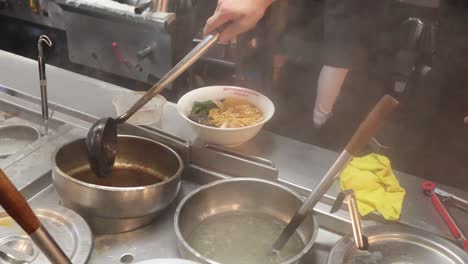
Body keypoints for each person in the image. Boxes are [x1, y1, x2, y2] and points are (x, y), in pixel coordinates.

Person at [203, 0, 380, 127]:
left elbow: (343, 45)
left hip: (329, 50)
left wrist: (322, 113)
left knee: (310, 123)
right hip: (269, 38)